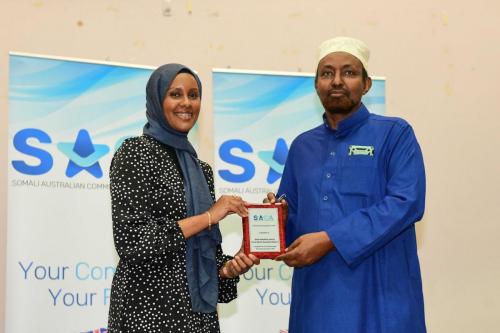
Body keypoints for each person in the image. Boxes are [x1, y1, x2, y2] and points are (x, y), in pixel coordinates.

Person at [267, 37, 426, 332]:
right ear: (316, 85)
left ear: (367, 84)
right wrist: (279, 219)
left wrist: (329, 238)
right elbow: (293, 230)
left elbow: (406, 203)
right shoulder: (302, 147)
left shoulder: (395, 134)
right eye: (327, 73)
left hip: (381, 299)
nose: (337, 81)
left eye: (349, 73)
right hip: (317, 301)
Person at [107, 63, 260, 333]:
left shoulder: (202, 172)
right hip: (147, 311)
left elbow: (206, 260)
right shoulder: (134, 153)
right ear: (156, 99)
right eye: (175, 94)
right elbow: (132, 242)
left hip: (197, 318)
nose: (186, 103)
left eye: (193, 95)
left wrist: (229, 269)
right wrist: (209, 216)